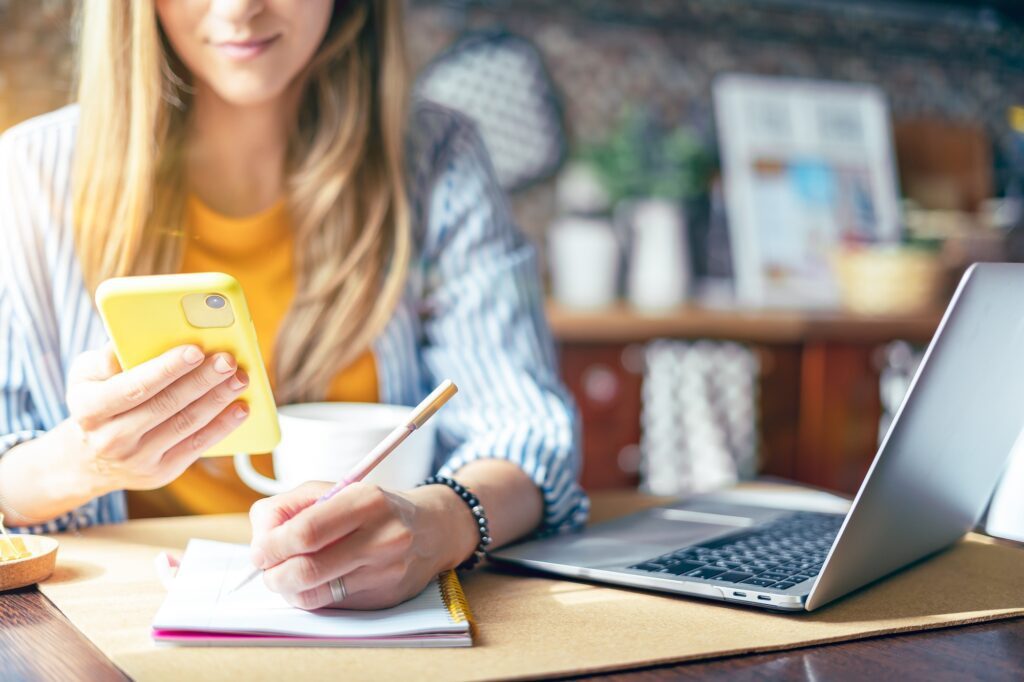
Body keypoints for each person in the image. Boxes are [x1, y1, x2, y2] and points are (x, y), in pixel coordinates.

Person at [0, 0, 586, 610]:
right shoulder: (29, 173)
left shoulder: (438, 155)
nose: (238, 10)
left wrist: (437, 525)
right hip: (113, 620)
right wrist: (86, 460)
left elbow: (526, 433)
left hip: (382, 622)